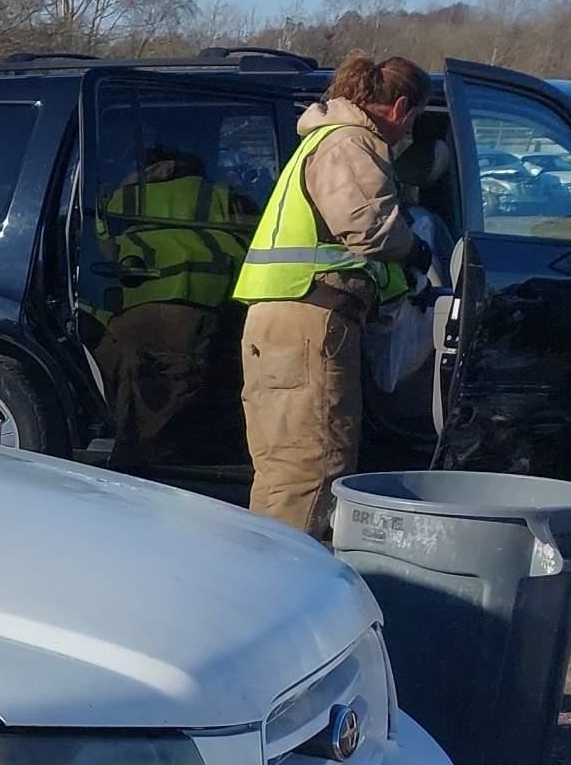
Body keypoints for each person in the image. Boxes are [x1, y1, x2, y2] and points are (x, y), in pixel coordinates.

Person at [231, 51, 433, 535]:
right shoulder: (351, 143)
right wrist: (416, 251)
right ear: (401, 106)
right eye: (414, 121)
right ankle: (289, 591)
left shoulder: (325, 139)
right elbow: (370, 229)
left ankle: (263, 578)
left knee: (285, 472)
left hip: (288, 324)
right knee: (312, 470)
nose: (408, 135)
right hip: (310, 324)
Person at [95, 144, 243, 473]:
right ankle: (161, 464)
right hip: (199, 301)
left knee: (135, 385)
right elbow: (250, 244)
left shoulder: (125, 192)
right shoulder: (221, 194)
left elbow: (102, 242)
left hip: (133, 302)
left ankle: (129, 457)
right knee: (179, 387)